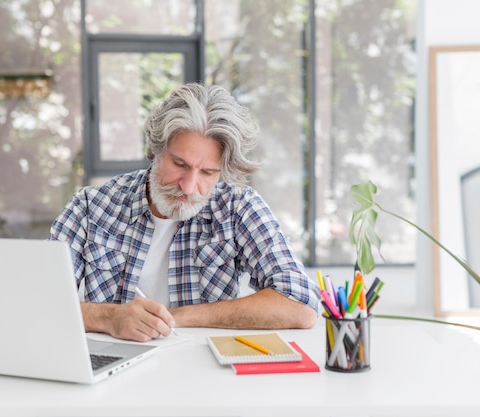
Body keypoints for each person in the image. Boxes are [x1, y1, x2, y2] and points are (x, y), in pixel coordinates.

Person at [48, 83, 320, 342]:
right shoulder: (90, 207)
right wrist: (110, 317)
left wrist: (175, 318)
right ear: (156, 150)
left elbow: (300, 303)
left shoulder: (238, 207)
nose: (189, 186)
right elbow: (39, 303)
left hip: (202, 372)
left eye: (208, 172)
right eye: (179, 164)